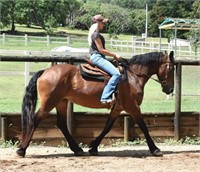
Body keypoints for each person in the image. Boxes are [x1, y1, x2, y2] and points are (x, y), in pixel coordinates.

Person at [88, 14, 122, 104]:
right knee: (116, 74)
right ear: (98, 23)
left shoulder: (96, 34)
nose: (104, 25)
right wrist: (114, 55)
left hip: (99, 57)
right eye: (102, 23)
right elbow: (101, 50)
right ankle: (105, 97)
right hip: (97, 57)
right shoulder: (96, 35)